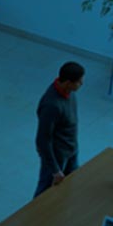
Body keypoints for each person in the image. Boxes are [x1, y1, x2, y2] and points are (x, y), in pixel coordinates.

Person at [34, 62, 85, 197]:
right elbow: (43, 139)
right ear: (68, 83)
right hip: (57, 157)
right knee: (44, 190)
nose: (82, 84)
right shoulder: (51, 105)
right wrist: (55, 169)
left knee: (69, 184)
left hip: (71, 150)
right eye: (79, 81)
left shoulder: (70, 93)